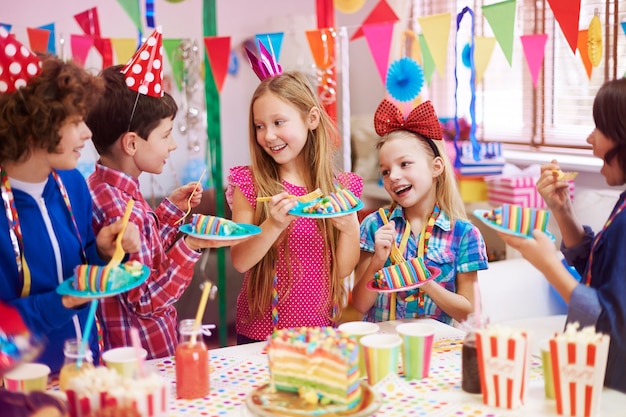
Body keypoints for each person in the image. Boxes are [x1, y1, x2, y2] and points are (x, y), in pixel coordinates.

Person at [85, 62, 241, 359]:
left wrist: (170, 211)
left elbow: (148, 250)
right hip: (144, 355)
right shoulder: (118, 210)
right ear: (131, 143)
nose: (171, 146)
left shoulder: (107, 189)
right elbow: (145, 299)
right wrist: (191, 245)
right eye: (166, 135)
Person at [0, 46, 140, 372]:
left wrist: (102, 252)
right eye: (76, 122)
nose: (87, 133)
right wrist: (63, 301)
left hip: (85, 369)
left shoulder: (74, 184)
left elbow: (77, 273)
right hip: (22, 386)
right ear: (36, 126)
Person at [499, 78, 626, 394]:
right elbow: (600, 276)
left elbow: (612, 321)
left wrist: (549, 266)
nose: (589, 138)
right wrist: (563, 211)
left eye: (599, 128)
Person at [227, 70, 363, 344]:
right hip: (260, 334)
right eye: (260, 126)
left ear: (311, 119)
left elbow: (343, 269)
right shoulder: (250, 184)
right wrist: (272, 225)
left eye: (278, 122)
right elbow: (240, 260)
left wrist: (350, 227)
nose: (268, 135)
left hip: (319, 331)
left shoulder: (341, 188)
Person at [352, 99, 488, 325]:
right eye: (385, 171)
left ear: (436, 167)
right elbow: (359, 304)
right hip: (384, 347)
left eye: (404, 164)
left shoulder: (464, 234)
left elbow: (470, 314)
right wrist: (378, 260)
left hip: (437, 350)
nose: (393, 176)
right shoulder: (374, 225)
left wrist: (423, 281)